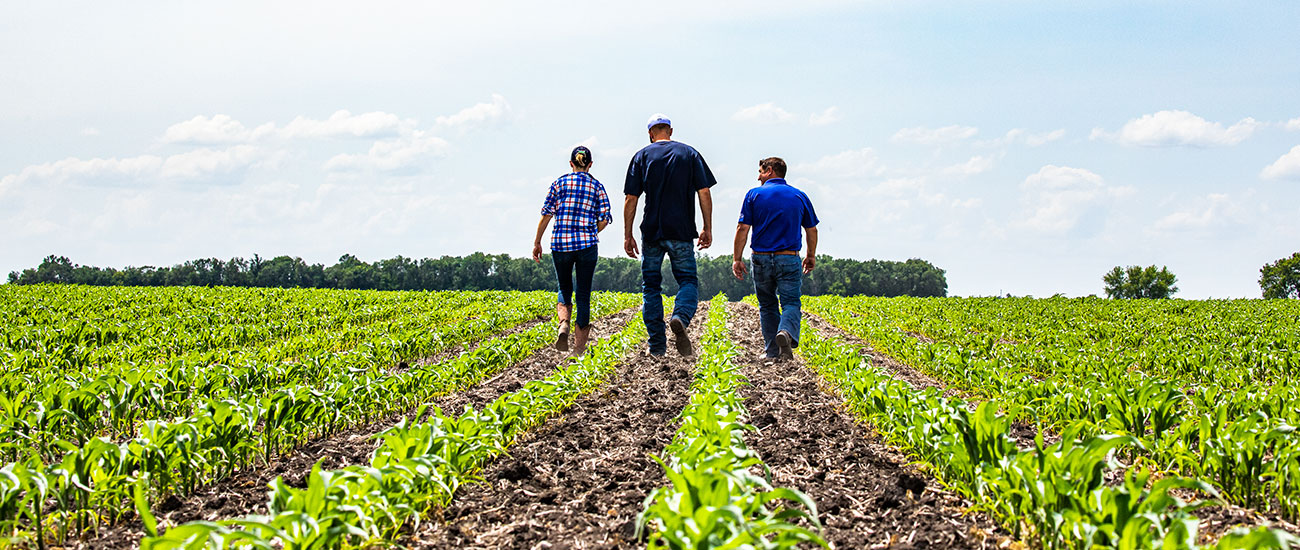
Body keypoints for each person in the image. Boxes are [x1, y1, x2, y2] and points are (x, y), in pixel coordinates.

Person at [624, 113, 717, 357]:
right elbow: (704, 191)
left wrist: (628, 234)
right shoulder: (689, 153)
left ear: (650, 134)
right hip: (682, 230)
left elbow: (631, 199)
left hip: (652, 231)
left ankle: (657, 346)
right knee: (687, 280)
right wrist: (707, 226)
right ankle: (680, 318)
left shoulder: (641, 156)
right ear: (671, 131)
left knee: (651, 287)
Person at [731, 157, 819, 360]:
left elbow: (742, 228)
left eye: (760, 171)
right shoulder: (799, 196)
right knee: (790, 303)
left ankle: (772, 352)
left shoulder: (754, 195)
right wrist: (810, 255)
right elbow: (811, 229)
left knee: (768, 305)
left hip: (761, 258)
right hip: (789, 257)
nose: (758, 176)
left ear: (770, 171)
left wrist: (737, 258)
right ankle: (786, 332)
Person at [533, 145, 613, 357]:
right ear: (590, 165)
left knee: (564, 287)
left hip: (560, 244)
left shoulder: (559, 183)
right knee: (584, 294)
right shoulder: (597, 187)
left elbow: (546, 214)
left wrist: (537, 241)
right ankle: (578, 350)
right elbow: (605, 217)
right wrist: (590, 231)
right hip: (587, 245)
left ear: (571, 164)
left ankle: (563, 325)